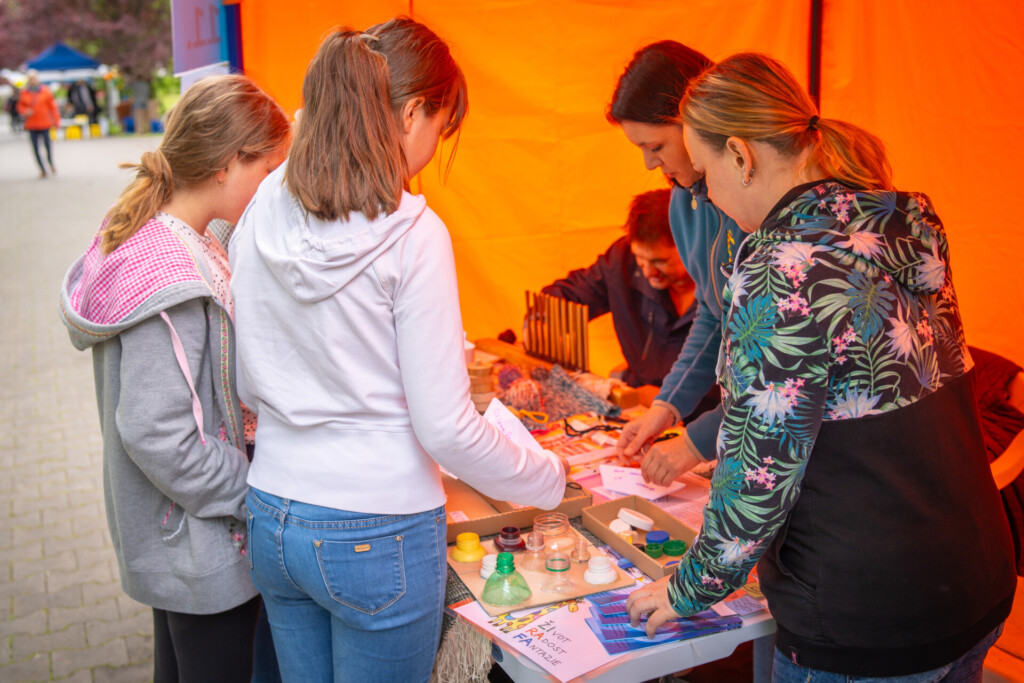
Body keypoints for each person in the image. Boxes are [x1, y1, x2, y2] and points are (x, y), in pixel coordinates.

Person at [626, 52, 1016, 681]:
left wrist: (688, 587)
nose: (708, 195)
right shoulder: (895, 222)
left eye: (704, 174)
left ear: (740, 156)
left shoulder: (783, 269)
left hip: (868, 613)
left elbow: (759, 473)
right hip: (974, 574)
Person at [229, 19, 567, 683]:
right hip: (376, 527)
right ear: (412, 113)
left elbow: (245, 380)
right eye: (441, 129)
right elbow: (446, 428)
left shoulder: (264, 202)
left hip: (272, 511)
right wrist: (546, 478)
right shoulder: (414, 232)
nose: (434, 149)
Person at [58, 74, 291, 683]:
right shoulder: (173, 278)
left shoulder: (172, 230)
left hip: (182, 537)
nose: (270, 189)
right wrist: (255, 493)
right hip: (201, 542)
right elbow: (157, 432)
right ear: (225, 164)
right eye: (267, 171)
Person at [607, 42, 746, 485]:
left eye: (656, 146)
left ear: (699, 123)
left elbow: (783, 371)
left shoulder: (759, 210)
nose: (650, 164)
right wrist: (665, 408)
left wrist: (696, 442)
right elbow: (713, 313)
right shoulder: (684, 203)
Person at [538, 189, 715, 410]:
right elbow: (571, 295)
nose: (648, 272)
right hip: (637, 403)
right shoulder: (622, 262)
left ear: (692, 245)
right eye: (640, 258)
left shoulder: (726, 281)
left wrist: (671, 397)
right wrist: (542, 319)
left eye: (660, 261)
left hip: (709, 412)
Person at [17, 71, 60, 178]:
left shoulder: (45, 91)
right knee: (35, 148)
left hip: (44, 122)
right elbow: (20, 107)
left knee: (47, 145)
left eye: (34, 78)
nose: (32, 81)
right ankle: (42, 169)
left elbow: (53, 107)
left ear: (37, 79)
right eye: (30, 79)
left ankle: (51, 162)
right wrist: (25, 111)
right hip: (32, 124)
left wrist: (56, 121)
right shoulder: (24, 92)